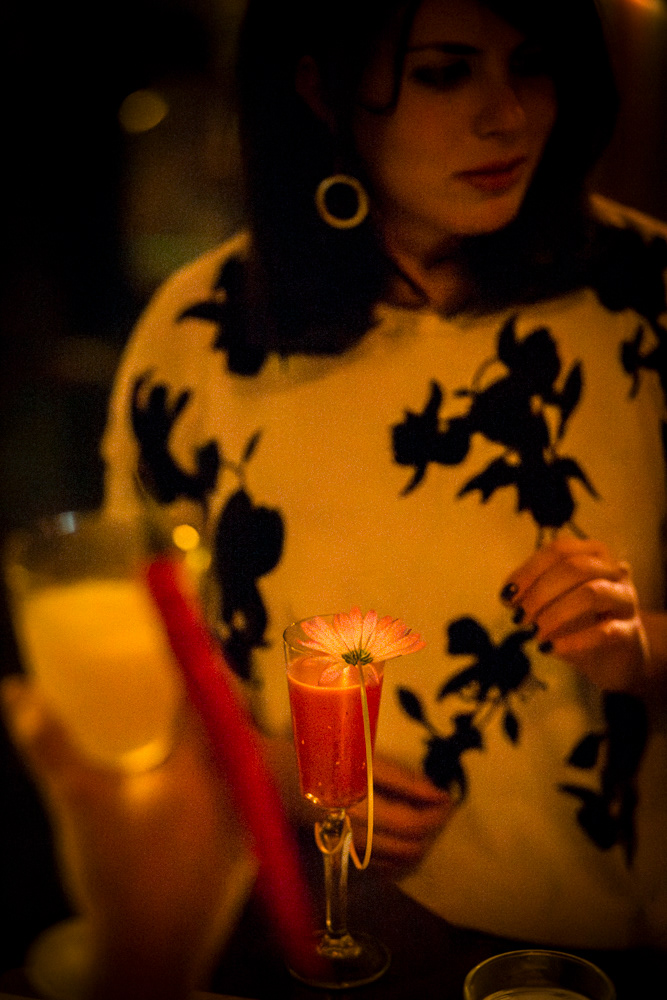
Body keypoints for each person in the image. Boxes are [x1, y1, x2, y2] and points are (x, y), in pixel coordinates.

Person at [84, 0, 667, 956]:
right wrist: (258, 765)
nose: (507, 116)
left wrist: (642, 649)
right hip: (306, 932)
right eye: (444, 71)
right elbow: (130, 632)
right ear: (321, 87)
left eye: (531, 64)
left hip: (599, 931)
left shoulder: (644, 296)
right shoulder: (203, 330)